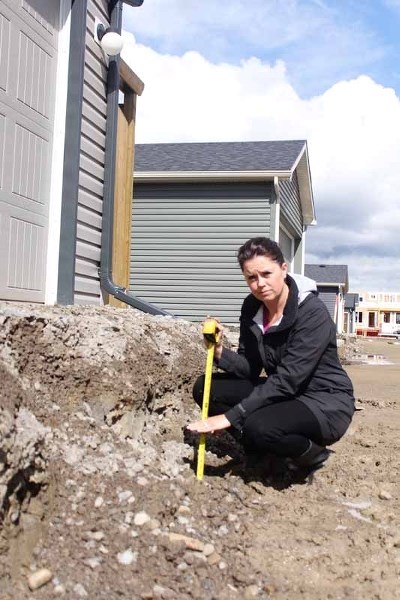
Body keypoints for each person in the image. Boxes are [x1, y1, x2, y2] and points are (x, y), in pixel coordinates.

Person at [187, 237, 355, 474]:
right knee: (205, 387)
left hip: (324, 400)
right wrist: (218, 351)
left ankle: (312, 453)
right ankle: (258, 448)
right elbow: (250, 368)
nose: (260, 284)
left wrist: (230, 417)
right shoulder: (252, 307)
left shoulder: (311, 313)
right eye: (251, 278)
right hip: (284, 392)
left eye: (267, 274)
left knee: (259, 426)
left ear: (284, 269)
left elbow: (288, 379)